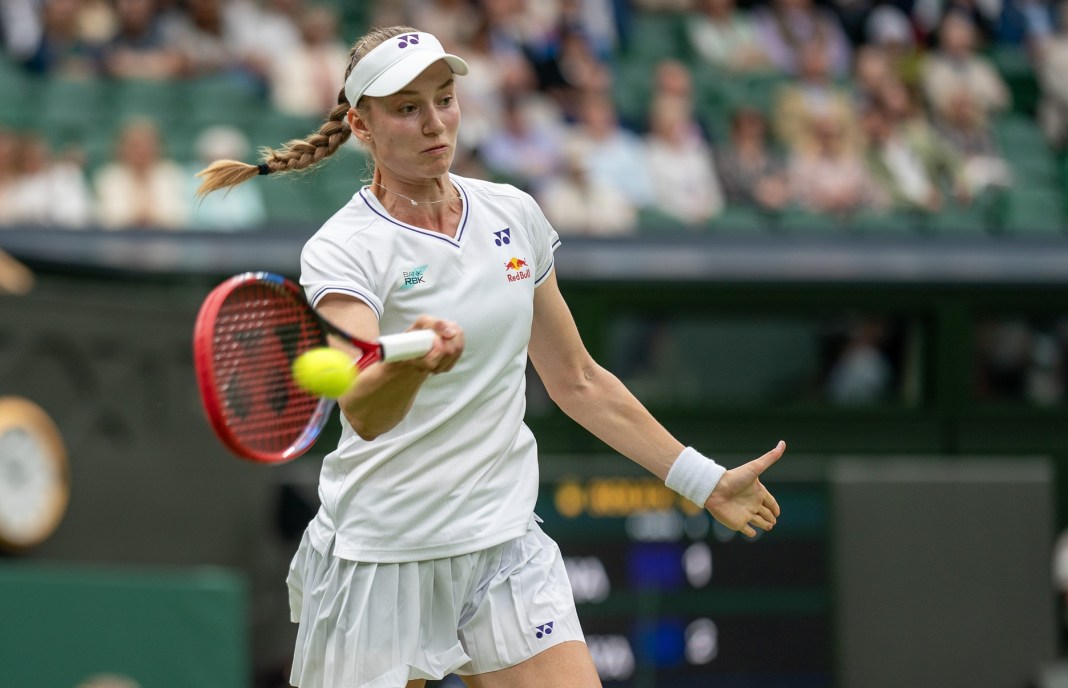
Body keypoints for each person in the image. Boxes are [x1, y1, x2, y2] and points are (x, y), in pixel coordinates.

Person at [195, 26, 785, 688]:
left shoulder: (513, 214)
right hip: (382, 552)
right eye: (407, 108)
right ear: (361, 125)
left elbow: (579, 380)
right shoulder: (344, 249)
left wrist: (705, 482)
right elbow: (363, 411)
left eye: (444, 99)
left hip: (503, 545)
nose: (435, 122)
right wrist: (412, 366)